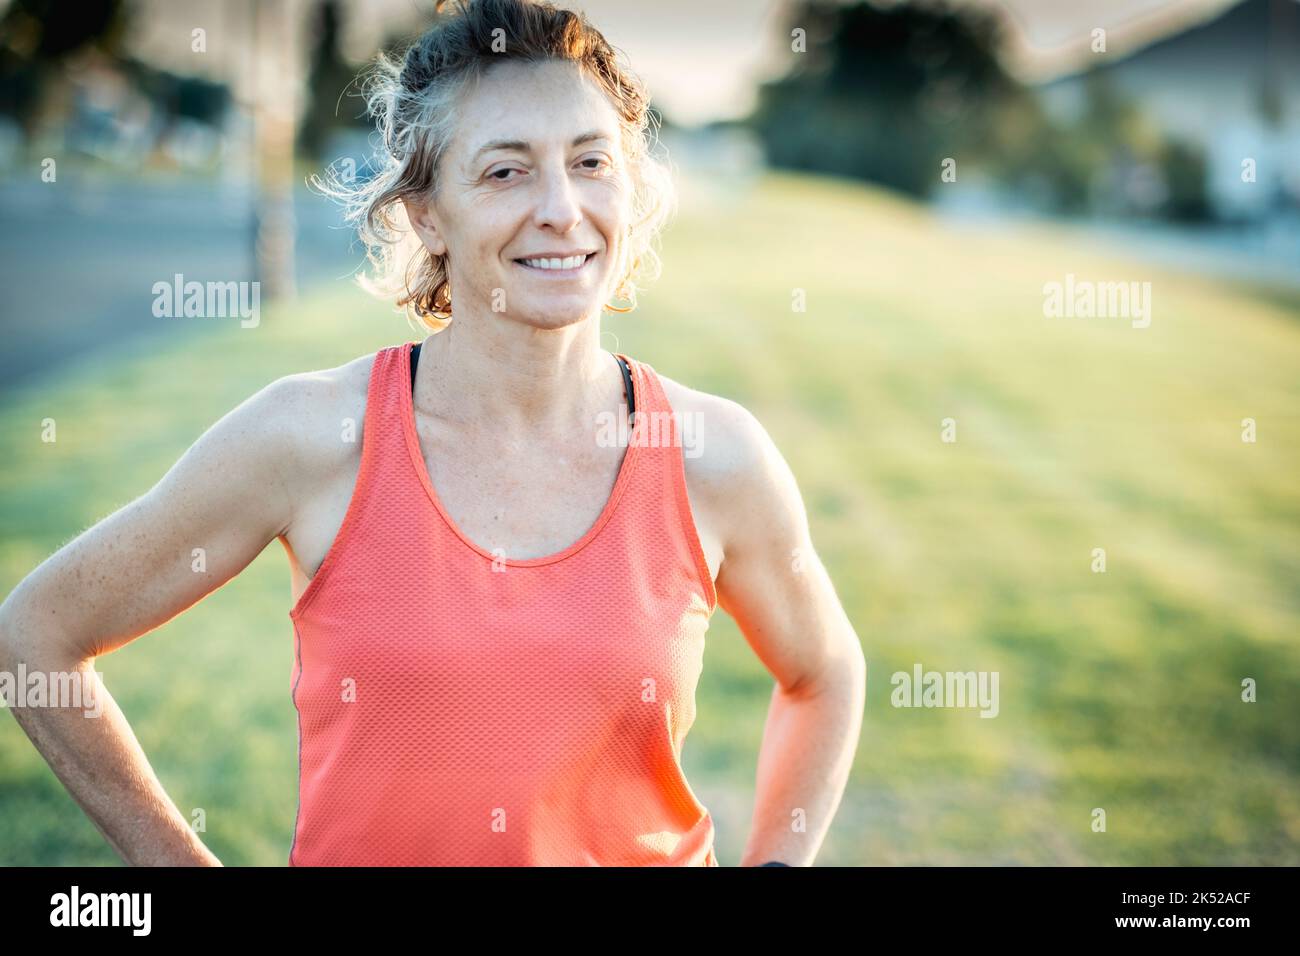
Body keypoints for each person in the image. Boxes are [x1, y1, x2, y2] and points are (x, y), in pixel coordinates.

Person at [0, 0, 865, 866]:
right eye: (505, 173)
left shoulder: (715, 455)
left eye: (591, 163)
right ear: (426, 213)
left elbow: (824, 674)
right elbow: (36, 634)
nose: (562, 209)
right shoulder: (315, 436)